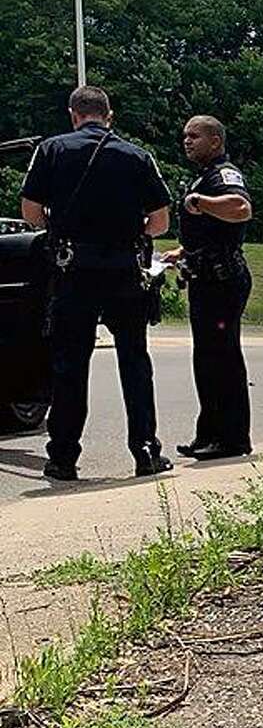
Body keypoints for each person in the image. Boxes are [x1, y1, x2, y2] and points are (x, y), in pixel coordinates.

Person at [20, 85, 172, 482]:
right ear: (110, 116)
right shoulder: (138, 156)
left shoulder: (52, 150)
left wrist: (61, 225)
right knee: (134, 361)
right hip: (124, 269)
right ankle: (145, 450)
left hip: (74, 269)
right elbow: (160, 222)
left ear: (74, 115)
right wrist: (131, 231)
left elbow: (31, 212)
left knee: (70, 365)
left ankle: (63, 457)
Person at [164, 115, 253, 460]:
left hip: (223, 280)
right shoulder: (204, 176)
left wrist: (200, 202)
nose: (187, 141)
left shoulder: (224, 175)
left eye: (194, 136)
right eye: (185, 135)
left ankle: (232, 439)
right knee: (206, 359)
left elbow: (241, 209)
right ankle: (209, 434)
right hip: (206, 278)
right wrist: (182, 252)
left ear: (215, 141)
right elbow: (213, 233)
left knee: (223, 358)